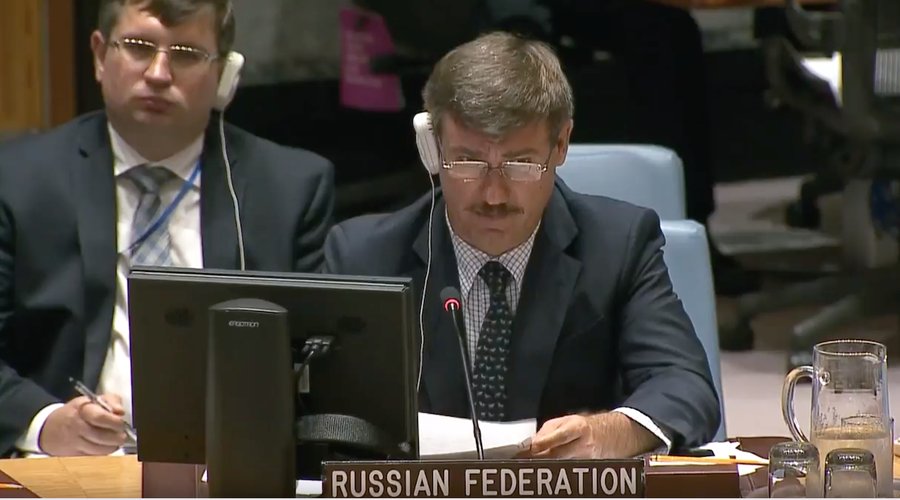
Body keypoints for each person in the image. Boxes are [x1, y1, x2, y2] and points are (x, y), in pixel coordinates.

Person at [324, 31, 720, 457]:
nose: (494, 196)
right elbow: (320, 408)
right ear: (432, 147)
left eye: (520, 164)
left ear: (561, 144)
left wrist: (608, 433)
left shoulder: (618, 244)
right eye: (469, 162)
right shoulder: (364, 256)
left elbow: (685, 385)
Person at [0, 0, 334, 457]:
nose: (158, 74)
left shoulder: (289, 190)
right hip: (65, 466)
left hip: (228, 468)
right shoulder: (19, 180)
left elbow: (321, 368)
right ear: (99, 56)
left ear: (224, 74)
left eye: (186, 54)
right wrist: (45, 423)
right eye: (139, 47)